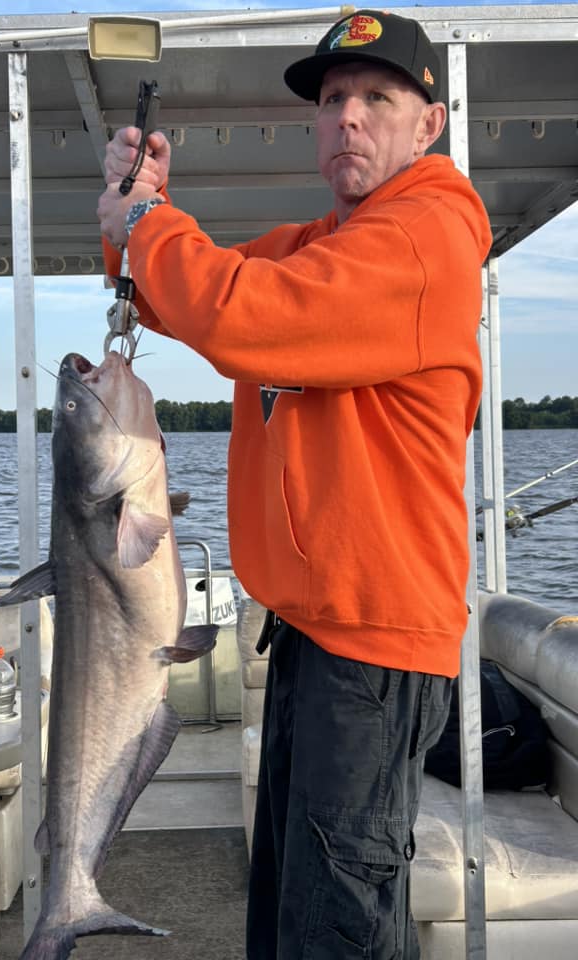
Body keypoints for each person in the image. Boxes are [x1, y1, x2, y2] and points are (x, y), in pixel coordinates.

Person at [98, 9, 492, 958]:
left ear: (426, 124)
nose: (349, 118)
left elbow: (243, 312)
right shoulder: (332, 241)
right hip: (319, 636)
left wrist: (149, 225)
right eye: (333, 101)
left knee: (336, 934)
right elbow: (196, 286)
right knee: (292, 921)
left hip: (371, 647)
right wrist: (133, 210)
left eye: (376, 99)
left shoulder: (425, 234)